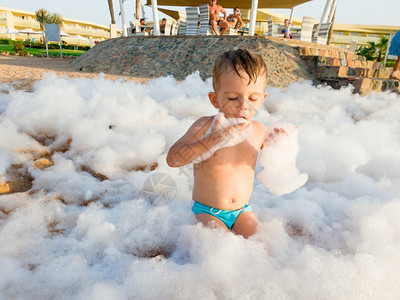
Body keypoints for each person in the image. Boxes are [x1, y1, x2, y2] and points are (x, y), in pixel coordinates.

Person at [167, 49, 286, 238]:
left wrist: (279, 143)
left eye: (252, 98)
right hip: (207, 212)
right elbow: (173, 159)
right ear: (215, 100)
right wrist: (214, 139)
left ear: (262, 99)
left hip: (241, 211)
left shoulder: (259, 130)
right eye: (232, 98)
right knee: (219, 252)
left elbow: (278, 165)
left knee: (265, 246)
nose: (244, 105)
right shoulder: (205, 126)